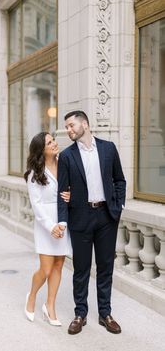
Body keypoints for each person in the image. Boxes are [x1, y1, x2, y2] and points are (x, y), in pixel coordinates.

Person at [57, 110, 126, 335]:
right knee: (81, 269)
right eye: (66, 127)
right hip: (80, 218)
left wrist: (119, 206)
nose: (68, 130)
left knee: (105, 268)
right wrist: (63, 221)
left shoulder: (108, 148)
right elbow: (62, 192)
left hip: (106, 216)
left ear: (84, 124)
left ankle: (105, 313)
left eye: (71, 125)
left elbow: (119, 180)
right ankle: (80, 314)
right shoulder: (67, 156)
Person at [24, 131, 72, 326]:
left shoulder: (65, 164)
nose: (54, 143)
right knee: (45, 269)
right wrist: (50, 226)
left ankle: (50, 305)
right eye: (49, 142)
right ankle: (32, 296)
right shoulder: (34, 174)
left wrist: (72, 196)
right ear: (41, 149)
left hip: (64, 221)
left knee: (59, 264)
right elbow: (36, 206)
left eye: (53, 140)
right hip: (46, 223)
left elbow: (73, 187)